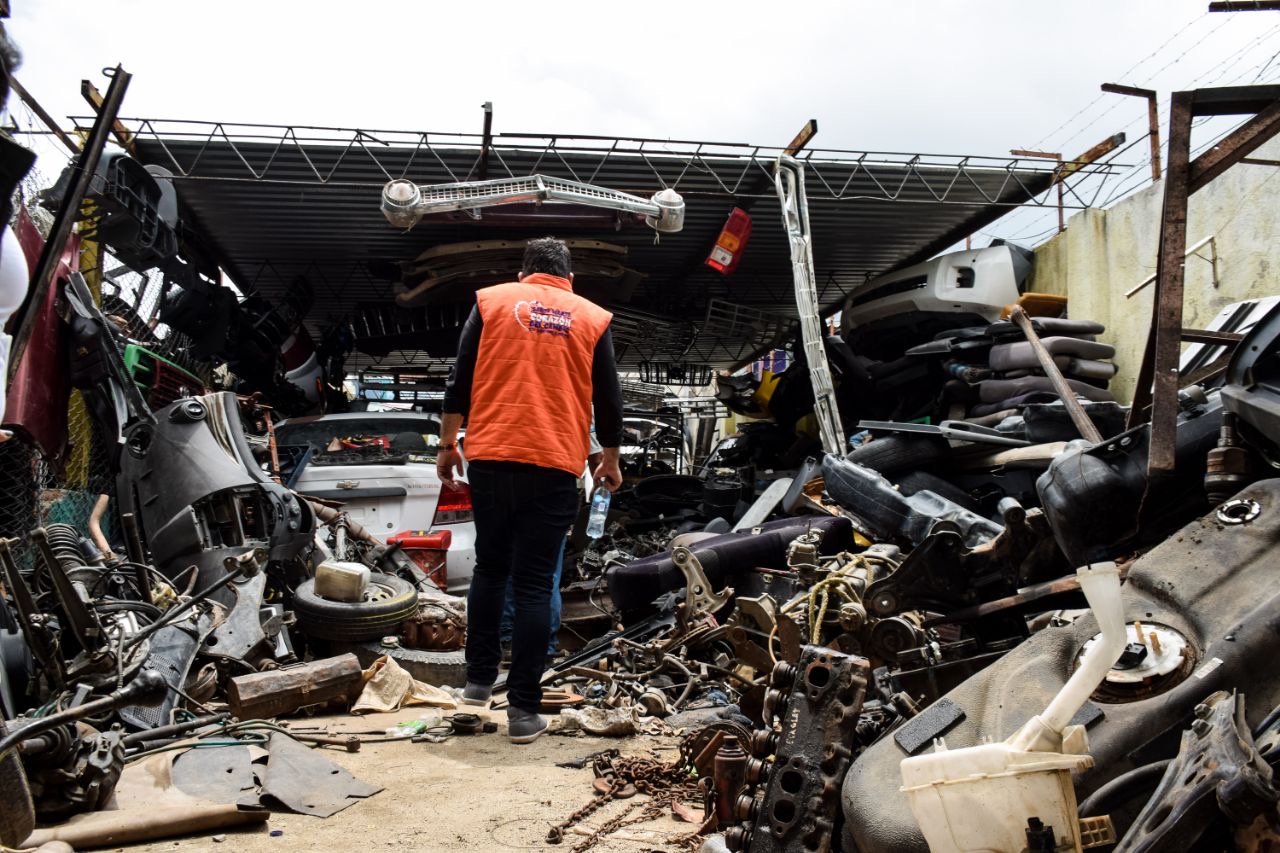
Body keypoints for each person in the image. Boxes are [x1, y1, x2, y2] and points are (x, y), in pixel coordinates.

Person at [438, 237, 622, 744]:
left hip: (492, 457)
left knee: (490, 569)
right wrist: (609, 459)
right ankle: (522, 711)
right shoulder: (592, 317)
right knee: (536, 584)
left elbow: (459, 380)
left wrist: (448, 445)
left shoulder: (491, 302)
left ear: (523, 275)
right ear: (570, 279)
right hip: (554, 464)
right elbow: (609, 398)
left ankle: (477, 687)